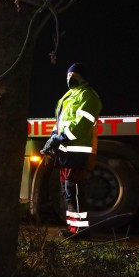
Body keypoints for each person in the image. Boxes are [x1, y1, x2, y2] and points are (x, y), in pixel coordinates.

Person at [41, 62, 102, 238]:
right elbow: (59, 123)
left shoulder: (88, 96)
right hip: (65, 151)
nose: (70, 78)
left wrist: (59, 138)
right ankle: (74, 228)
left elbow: (81, 125)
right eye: (68, 75)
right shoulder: (67, 97)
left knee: (73, 190)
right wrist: (52, 139)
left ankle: (81, 231)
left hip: (77, 151)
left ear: (83, 77)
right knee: (66, 192)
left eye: (74, 75)